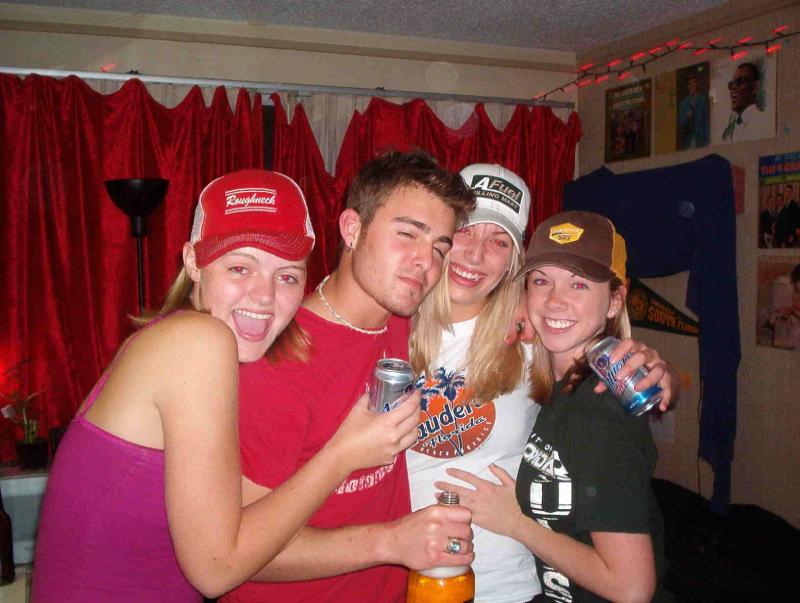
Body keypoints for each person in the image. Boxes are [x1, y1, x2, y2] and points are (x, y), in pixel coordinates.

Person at [32, 169, 421, 602]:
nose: (264, 295)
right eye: (240, 268)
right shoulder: (199, 342)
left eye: (287, 276)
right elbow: (216, 570)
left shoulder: (175, 339)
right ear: (193, 262)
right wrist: (345, 454)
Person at [409, 169, 677, 603]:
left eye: (499, 241)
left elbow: (631, 583)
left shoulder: (535, 346)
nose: (475, 254)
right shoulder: (392, 325)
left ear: (512, 262)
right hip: (413, 576)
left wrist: (655, 372)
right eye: (465, 231)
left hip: (512, 584)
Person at [223, 151, 477, 603]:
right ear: (352, 229)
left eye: (440, 247)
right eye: (407, 234)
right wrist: (392, 542)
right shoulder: (275, 363)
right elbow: (235, 554)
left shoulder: (395, 318)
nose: (426, 262)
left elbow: (491, 301)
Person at [721, 62, 770, 143]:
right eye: (731, 84)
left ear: (755, 87)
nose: (733, 88)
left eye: (740, 81)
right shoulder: (728, 132)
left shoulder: (764, 123)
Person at [677, 73, 708, 149]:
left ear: (697, 84)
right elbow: (681, 124)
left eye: (693, 82)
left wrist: (707, 139)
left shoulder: (702, 100)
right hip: (690, 140)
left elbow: (706, 121)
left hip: (702, 139)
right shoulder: (684, 104)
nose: (691, 85)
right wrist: (687, 118)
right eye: (689, 84)